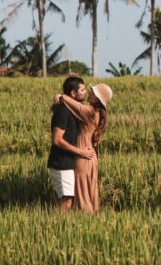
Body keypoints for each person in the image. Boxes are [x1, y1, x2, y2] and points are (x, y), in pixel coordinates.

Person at [52, 83, 113, 214]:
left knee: (82, 191)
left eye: (92, 93)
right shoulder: (97, 113)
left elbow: (74, 105)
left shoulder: (90, 111)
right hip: (90, 157)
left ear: (96, 98)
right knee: (89, 190)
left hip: (83, 155)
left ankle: (84, 219)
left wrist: (60, 96)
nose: (89, 94)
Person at [47, 75, 94, 212]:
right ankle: (60, 226)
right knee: (66, 199)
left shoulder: (72, 109)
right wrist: (81, 152)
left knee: (69, 198)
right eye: (83, 90)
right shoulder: (63, 111)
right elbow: (57, 139)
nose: (85, 93)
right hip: (61, 162)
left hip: (68, 161)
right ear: (73, 93)